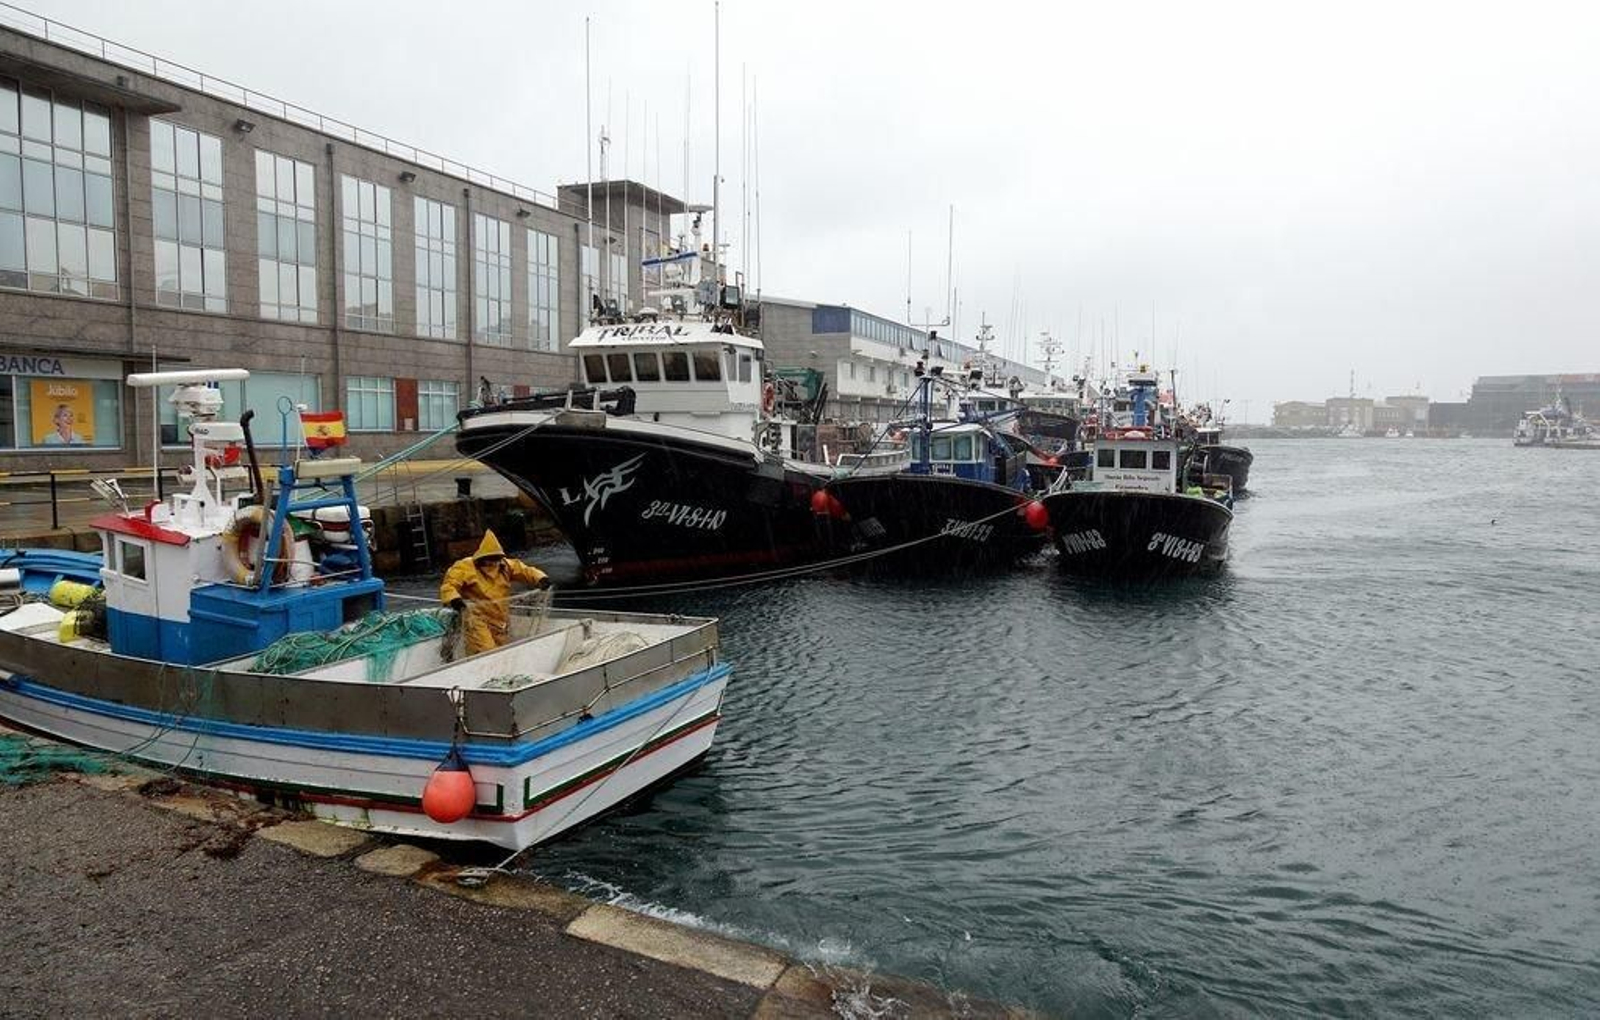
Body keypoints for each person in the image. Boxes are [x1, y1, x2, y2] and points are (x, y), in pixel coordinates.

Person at [439, 530, 550, 656]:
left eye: (496, 559)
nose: (494, 563)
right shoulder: (465, 567)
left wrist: (541, 578)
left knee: (501, 651)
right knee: (485, 650)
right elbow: (449, 585)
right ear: (482, 557)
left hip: (500, 619)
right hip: (476, 618)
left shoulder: (505, 565)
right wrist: (454, 599)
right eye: (490, 559)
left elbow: (524, 570)